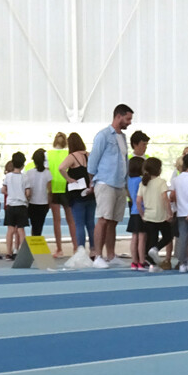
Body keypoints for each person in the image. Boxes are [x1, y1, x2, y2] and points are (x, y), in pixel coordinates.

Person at [89, 105, 133, 268]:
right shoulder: (103, 135)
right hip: (105, 182)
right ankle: (98, 255)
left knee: (113, 220)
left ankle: (111, 255)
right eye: (127, 119)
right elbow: (93, 159)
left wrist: (126, 184)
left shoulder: (122, 138)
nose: (129, 123)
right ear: (118, 117)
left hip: (119, 183)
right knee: (103, 219)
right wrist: (91, 180)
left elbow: (124, 161)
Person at [60, 133, 96, 255]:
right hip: (90, 192)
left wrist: (69, 179)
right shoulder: (89, 155)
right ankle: (93, 249)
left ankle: (80, 250)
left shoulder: (72, 157)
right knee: (91, 223)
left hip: (77, 194)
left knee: (79, 223)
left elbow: (61, 168)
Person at [138, 157, 171, 272]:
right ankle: (156, 249)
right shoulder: (161, 182)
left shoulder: (143, 183)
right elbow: (165, 198)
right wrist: (169, 212)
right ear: (158, 169)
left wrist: (142, 214)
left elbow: (138, 201)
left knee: (152, 238)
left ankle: (152, 265)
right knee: (168, 235)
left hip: (148, 216)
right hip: (160, 216)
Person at [46, 132, 75, 256]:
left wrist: (48, 191)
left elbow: (47, 173)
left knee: (56, 221)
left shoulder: (47, 154)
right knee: (71, 220)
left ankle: (59, 248)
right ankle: (75, 247)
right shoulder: (69, 154)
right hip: (67, 188)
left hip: (54, 189)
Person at [3, 151, 29, 260]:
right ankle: (22, 253)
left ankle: (9, 253)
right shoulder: (25, 177)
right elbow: (28, 193)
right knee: (21, 230)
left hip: (10, 205)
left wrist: (11, 194)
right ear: (23, 165)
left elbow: (4, 190)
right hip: (21, 205)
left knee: (10, 230)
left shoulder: (8, 176)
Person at [126, 155, 147, 270]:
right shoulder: (140, 180)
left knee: (134, 237)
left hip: (133, 210)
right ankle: (142, 260)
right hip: (141, 210)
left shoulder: (129, 180)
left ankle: (134, 261)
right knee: (142, 237)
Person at [27, 149, 52, 238]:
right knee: (39, 226)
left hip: (32, 202)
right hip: (43, 203)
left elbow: (27, 189)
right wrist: (49, 203)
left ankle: (33, 242)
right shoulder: (48, 173)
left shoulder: (29, 173)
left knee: (34, 225)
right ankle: (37, 241)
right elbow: (50, 191)